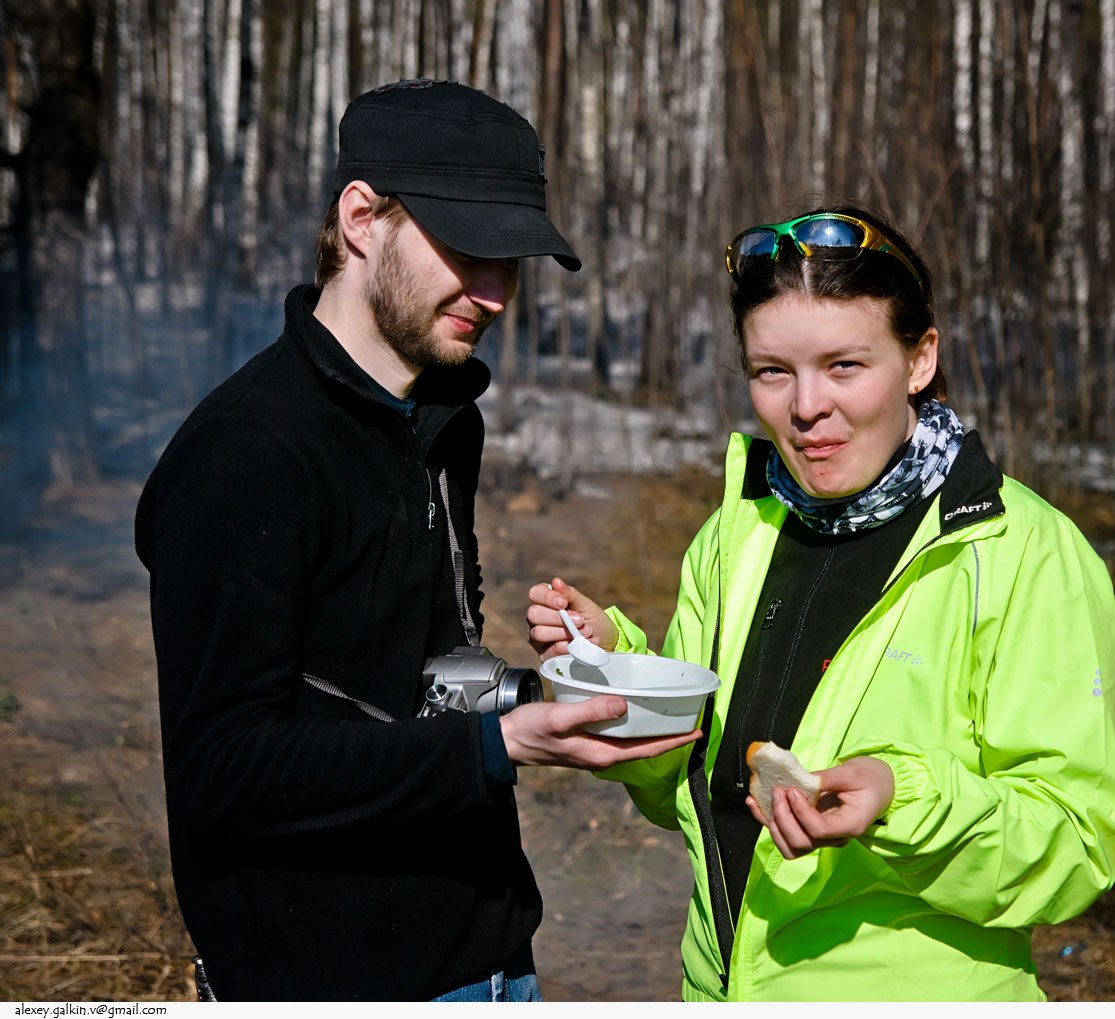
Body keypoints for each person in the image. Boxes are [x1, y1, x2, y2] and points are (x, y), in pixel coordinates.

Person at [135, 79, 697, 1003]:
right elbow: (223, 773)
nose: (496, 295)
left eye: (510, 262)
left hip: (489, 958)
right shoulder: (247, 455)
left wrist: (542, 694)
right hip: (331, 979)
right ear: (362, 219)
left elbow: (394, 687)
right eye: (468, 251)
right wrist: (495, 747)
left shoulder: (441, 420)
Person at [527, 202, 1115, 1001]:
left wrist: (899, 803)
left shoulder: (1021, 550)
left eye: (844, 365)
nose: (806, 405)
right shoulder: (739, 532)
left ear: (920, 359)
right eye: (772, 371)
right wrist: (621, 673)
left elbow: (1078, 841)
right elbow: (688, 787)